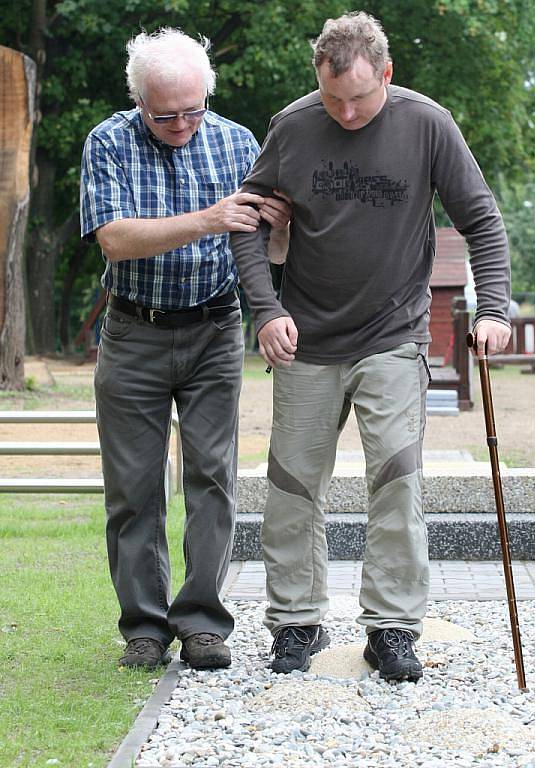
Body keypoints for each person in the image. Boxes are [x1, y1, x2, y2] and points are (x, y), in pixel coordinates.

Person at [231, 11, 511, 683]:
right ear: (317, 83)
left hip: (391, 335)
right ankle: (296, 621)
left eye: (360, 97)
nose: (348, 112)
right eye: (334, 99)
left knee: (396, 480)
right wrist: (265, 311)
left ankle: (391, 628)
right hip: (307, 339)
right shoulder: (293, 127)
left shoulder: (427, 124)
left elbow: (482, 218)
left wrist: (495, 308)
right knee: (293, 485)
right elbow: (245, 220)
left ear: (386, 73)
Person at [80, 28, 289, 671]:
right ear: (138, 101)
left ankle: (202, 622)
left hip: (214, 332)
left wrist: (278, 238)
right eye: (163, 113)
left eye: (192, 109)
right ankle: (143, 626)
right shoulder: (109, 140)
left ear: (208, 93)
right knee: (135, 489)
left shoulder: (237, 142)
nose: (180, 123)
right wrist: (208, 218)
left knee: (213, 480)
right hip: (133, 332)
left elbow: (266, 251)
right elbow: (113, 238)